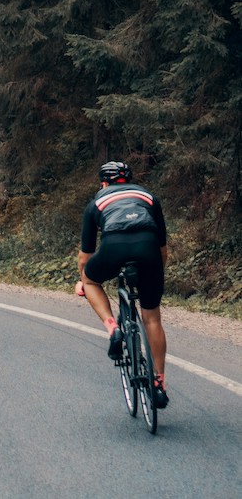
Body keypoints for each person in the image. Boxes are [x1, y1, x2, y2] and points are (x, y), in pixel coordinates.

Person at [77, 161, 170, 408]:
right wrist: (156, 273)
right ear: (129, 180)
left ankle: (112, 328)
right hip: (149, 250)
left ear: (103, 183)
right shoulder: (148, 197)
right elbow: (162, 249)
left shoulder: (96, 203)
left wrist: (82, 281)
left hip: (113, 246)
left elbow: (85, 257)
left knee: (90, 279)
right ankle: (158, 383)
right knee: (152, 318)